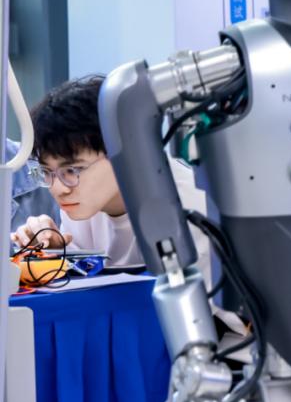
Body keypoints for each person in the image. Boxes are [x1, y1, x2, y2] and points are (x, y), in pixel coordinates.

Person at [10, 76, 210, 280]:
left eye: (72, 170)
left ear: (123, 151)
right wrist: (54, 256)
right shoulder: (81, 205)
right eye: (46, 172)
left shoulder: (188, 210)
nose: (59, 189)